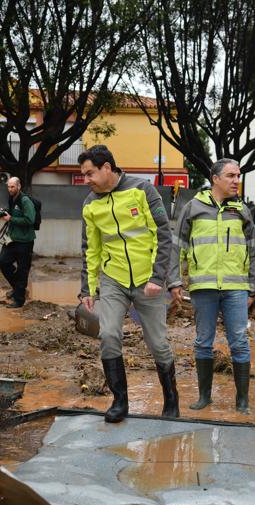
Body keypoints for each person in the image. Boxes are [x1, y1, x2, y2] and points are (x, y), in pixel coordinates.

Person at [78, 144, 181, 423]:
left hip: (149, 279)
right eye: (84, 175)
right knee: (109, 335)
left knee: (158, 343)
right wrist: (87, 289)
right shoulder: (90, 203)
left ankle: (171, 400)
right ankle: (120, 401)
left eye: (89, 174)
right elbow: (91, 248)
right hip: (114, 279)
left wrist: (158, 277)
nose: (86, 180)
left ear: (107, 168)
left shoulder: (142, 191)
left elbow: (164, 236)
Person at [171, 158, 255, 414]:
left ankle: (242, 401)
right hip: (203, 286)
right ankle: (204, 397)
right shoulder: (193, 207)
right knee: (203, 342)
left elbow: (254, 250)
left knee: (240, 342)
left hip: (235, 287)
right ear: (215, 178)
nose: (236, 181)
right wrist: (175, 281)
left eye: (238, 176)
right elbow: (178, 246)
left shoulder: (242, 210)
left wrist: (252, 286)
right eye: (231, 176)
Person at [0, 176, 36, 308]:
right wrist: (4, 213)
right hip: (12, 238)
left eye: (12, 186)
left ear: (19, 186)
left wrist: (11, 219)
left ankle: (19, 301)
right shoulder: (12, 199)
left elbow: (30, 220)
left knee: (22, 270)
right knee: (2, 262)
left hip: (25, 241)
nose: (10, 189)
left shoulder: (25, 201)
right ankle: (18, 289)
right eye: (8, 186)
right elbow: (13, 215)